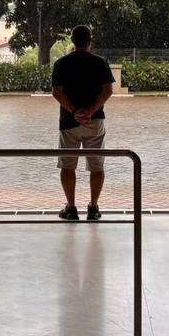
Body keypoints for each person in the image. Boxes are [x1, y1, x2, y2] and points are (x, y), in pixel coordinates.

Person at [51, 25, 115, 221]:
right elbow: (108, 90)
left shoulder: (61, 63)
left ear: (72, 40)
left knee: (68, 166)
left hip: (69, 122)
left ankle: (71, 208)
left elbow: (57, 92)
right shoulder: (100, 63)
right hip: (94, 121)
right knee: (96, 166)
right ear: (90, 40)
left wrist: (74, 111)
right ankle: (93, 208)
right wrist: (90, 111)